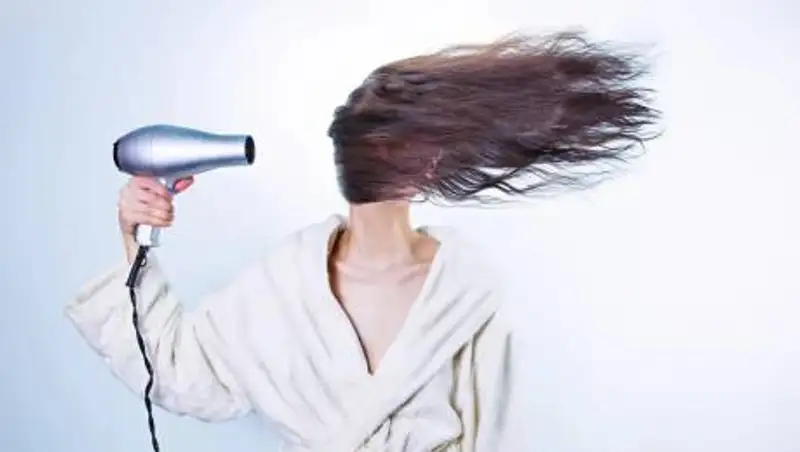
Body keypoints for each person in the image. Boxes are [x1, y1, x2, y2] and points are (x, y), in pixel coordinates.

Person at [65, 31, 660, 451]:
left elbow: (500, 440)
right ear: (429, 165)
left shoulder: (466, 290)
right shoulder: (283, 284)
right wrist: (133, 237)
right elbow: (178, 375)